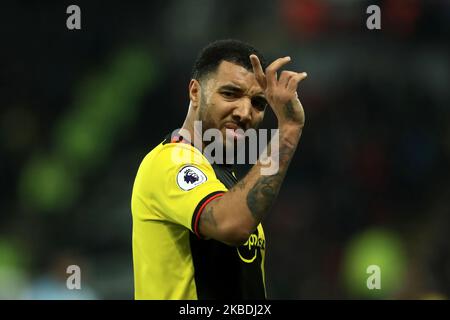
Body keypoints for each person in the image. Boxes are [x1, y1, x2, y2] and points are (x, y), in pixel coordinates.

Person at [131, 39, 307, 299]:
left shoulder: (227, 181)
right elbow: (231, 225)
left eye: (258, 103)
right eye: (230, 94)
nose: (245, 112)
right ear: (195, 92)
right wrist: (289, 129)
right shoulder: (171, 161)